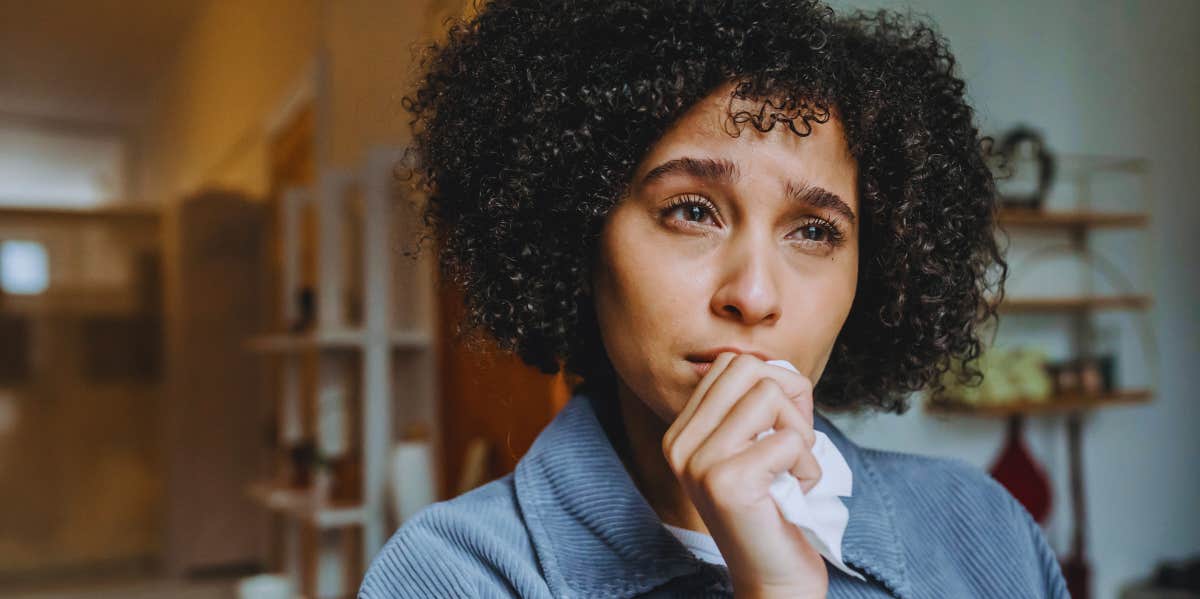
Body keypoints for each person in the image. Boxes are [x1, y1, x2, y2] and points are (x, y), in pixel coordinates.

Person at [360, 0, 1069, 597]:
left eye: (815, 230)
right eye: (693, 211)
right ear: (578, 226)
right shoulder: (453, 572)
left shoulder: (982, 529)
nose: (754, 294)